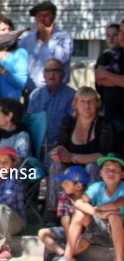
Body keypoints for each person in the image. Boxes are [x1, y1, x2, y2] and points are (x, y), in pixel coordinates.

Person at [46, 87, 118, 218]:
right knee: (55, 166)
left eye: (91, 101)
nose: (87, 105)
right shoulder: (68, 122)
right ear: (75, 105)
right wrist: (57, 153)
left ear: (97, 104)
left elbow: (102, 156)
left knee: (93, 167)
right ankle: (54, 213)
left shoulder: (104, 124)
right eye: (82, 101)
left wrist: (73, 157)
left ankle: (92, 210)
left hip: (94, 168)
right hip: (70, 169)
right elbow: (61, 149)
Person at [61, 153, 124, 261]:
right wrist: (97, 213)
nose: (110, 173)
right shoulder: (97, 186)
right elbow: (79, 203)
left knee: (114, 217)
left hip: (120, 228)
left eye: (115, 170)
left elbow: (116, 204)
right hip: (100, 228)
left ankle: (119, 259)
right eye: (107, 169)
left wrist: (98, 208)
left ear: (122, 174)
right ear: (100, 173)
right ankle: (67, 257)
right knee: (79, 213)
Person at [18, 1, 74, 91]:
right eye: (39, 15)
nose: (42, 19)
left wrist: (48, 38)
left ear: (53, 17)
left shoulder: (64, 36)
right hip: (32, 91)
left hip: (58, 91)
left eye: (46, 15)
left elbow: (62, 59)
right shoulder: (27, 40)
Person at [38, 165, 89, 261]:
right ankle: (62, 253)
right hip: (68, 230)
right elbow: (65, 220)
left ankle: (67, 255)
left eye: (66, 182)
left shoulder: (89, 196)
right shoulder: (64, 196)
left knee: (80, 245)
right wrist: (70, 239)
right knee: (42, 233)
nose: (62, 185)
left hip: (86, 232)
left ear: (78, 186)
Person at [27, 58, 77, 150]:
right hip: (36, 145)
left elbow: (74, 125)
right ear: (43, 74)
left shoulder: (73, 96)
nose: (51, 74)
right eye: (48, 70)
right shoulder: (35, 95)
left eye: (56, 71)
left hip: (60, 147)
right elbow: (30, 122)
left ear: (64, 74)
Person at [95, 17, 124, 138]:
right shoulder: (110, 54)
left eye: (116, 34)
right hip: (111, 113)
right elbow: (99, 77)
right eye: (121, 32)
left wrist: (107, 75)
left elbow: (104, 76)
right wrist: (119, 80)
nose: (122, 36)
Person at [0, 17, 28, 101]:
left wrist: (0, 67)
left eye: (10, 29)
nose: (7, 32)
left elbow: (22, 83)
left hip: (9, 107)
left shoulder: (20, 53)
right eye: (3, 29)